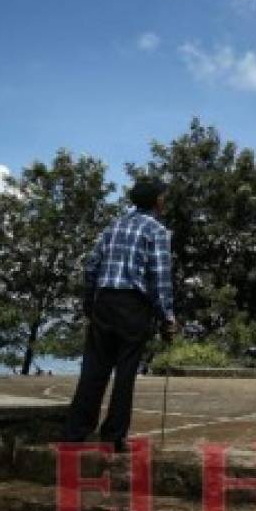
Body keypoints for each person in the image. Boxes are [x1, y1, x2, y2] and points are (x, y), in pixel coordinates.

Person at [62, 177, 177, 451]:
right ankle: (113, 435)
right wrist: (167, 317)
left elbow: (91, 266)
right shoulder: (157, 231)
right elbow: (159, 278)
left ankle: (75, 432)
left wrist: (89, 302)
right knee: (126, 372)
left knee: (93, 368)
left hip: (104, 300)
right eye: (164, 196)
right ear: (158, 200)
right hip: (133, 304)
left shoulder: (113, 227)